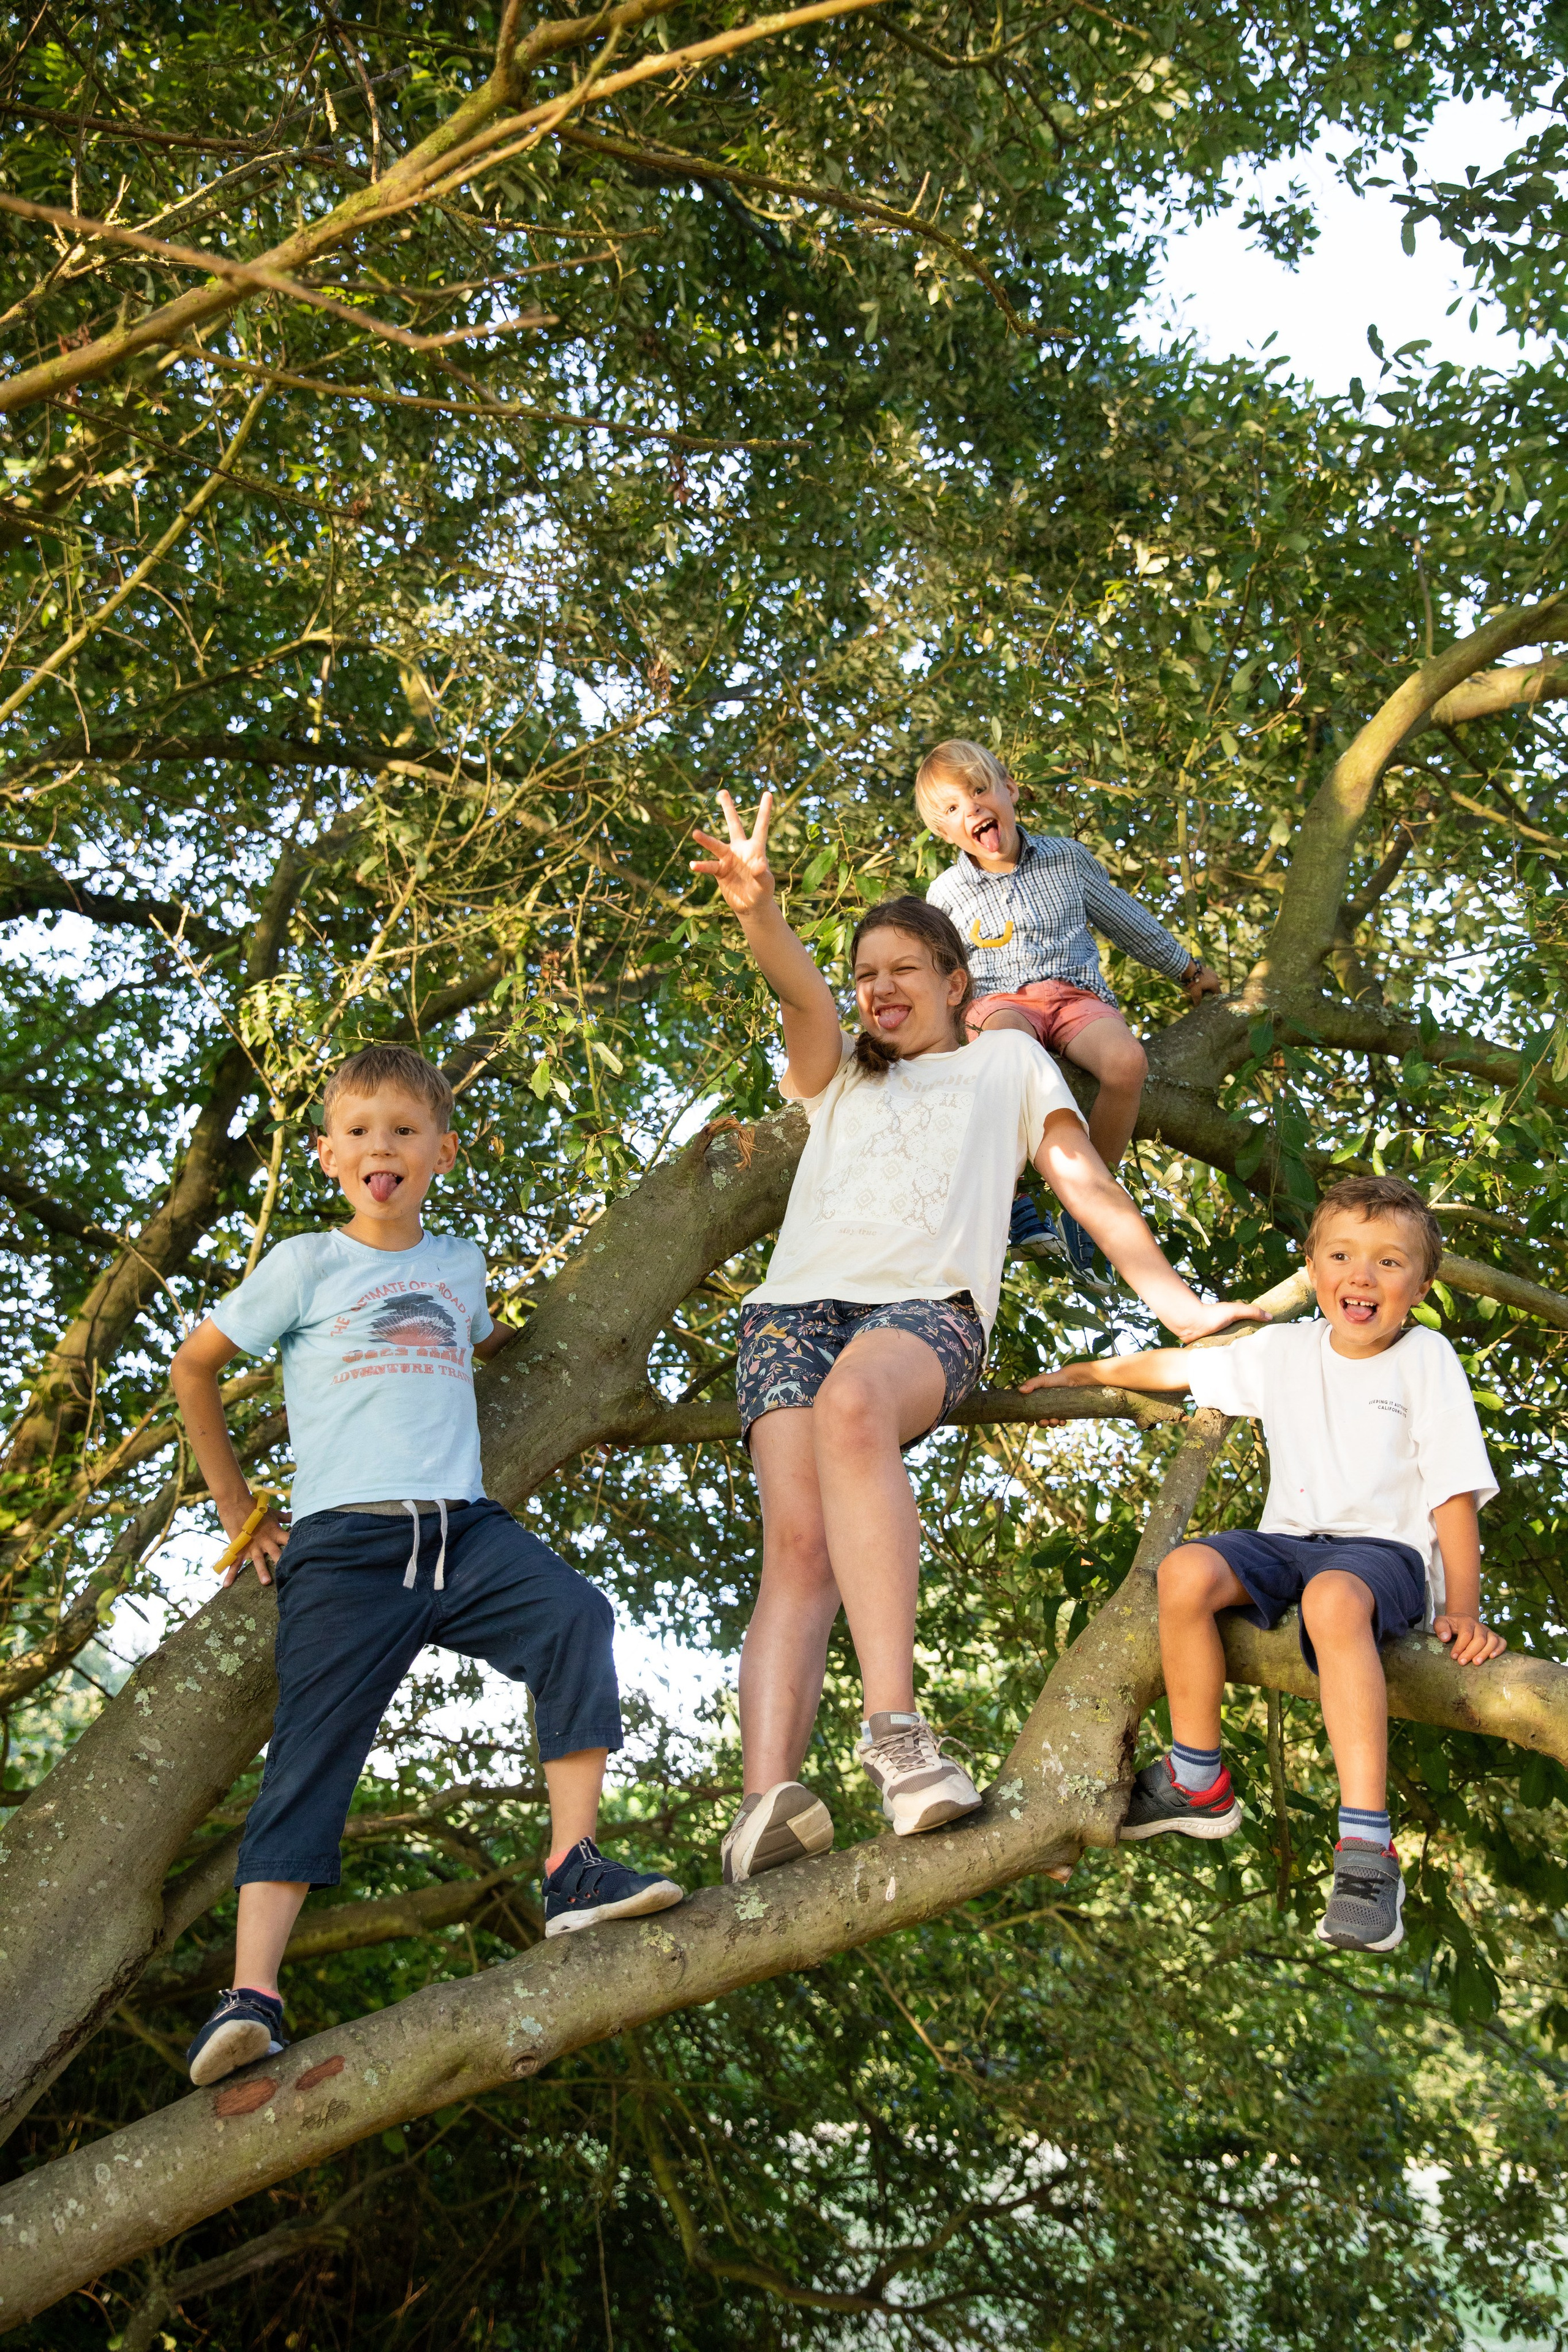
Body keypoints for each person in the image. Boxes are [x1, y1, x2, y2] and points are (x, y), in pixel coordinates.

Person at [688, 790, 1263, 1886]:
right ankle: (766, 1808)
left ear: (960, 982)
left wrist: (1183, 1311)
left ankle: (898, 1738)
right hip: (788, 1314)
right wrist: (760, 912)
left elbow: (1085, 1182)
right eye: (867, 974)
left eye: (904, 968)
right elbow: (801, 999)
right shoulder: (840, 1072)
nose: (879, 989)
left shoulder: (1008, 1065)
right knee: (799, 1555)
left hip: (925, 1311)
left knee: (858, 1409)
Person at [170, 1042, 682, 2089]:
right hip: (344, 1551)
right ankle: (251, 1996)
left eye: (403, 1131)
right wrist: (238, 1511)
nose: (380, 1148)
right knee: (311, 1754)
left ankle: (573, 1869)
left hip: (460, 1531)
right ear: (326, 1156)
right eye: (358, 1133)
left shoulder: (458, 1263)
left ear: (441, 1151)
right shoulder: (307, 1265)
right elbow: (195, 1366)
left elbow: (477, 1336)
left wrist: (531, 1340)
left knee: (576, 1618)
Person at [1023, 1173, 1503, 1955]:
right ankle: (1198, 1778)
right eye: (1343, 1255)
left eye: (1389, 1263)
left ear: (1420, 1287)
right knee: (1182, 1574)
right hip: (1287, 1541)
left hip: (1378, 1555)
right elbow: (1181, 1370)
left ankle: (1365, 1849)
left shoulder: (1427, 1358)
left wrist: (1463, 1609)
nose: (1362, 1275)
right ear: (1313, 1271)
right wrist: (1092, 1372)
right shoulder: (1285, 1348)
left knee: (1334, 1603)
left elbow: (1452, 1491)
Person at [918, 739, 1222, 1275]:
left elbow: (1126, 920)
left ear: (1010, 790)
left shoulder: (1066, 859)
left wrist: (1188, 970)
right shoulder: (945, 896)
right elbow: (941, 979)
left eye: (979, 792)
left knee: (1128, 1064)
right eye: (951, 810)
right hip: (999, 1001)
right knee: (1006, 1053)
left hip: (1075, 995)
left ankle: (1089, 1208)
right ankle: (1008, 1199)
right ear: (943, 833)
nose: (972, 811)